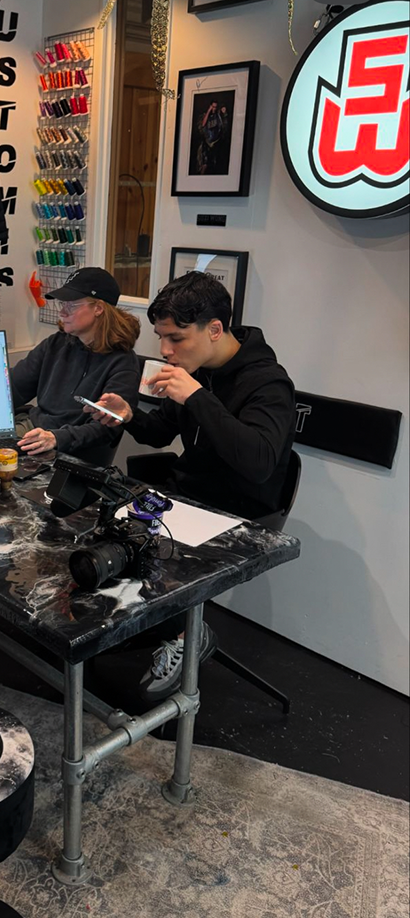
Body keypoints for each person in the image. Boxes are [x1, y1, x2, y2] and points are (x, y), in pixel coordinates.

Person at [85, 270, 295, 701]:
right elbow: (160, 432)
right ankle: (144, 627)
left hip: (241, 511)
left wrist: (197, 397)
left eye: (176, 338)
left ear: (214, 329)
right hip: (185, 497)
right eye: (162, 337)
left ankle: (186, 635)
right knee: (99, 526)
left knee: (148, 551)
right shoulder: (194, 369)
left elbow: (258, 463)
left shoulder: (268, 383)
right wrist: (128, 415)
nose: (166, 350)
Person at [10, 267, 141, 464]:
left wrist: (57, 438)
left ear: (98, 308)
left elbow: (105, 428)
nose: (62, 312)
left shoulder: (122, 362)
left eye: (71, 305)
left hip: (69, 450)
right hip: (34, 430)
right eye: (62, 304)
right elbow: (14, 387)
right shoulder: (56, 343)